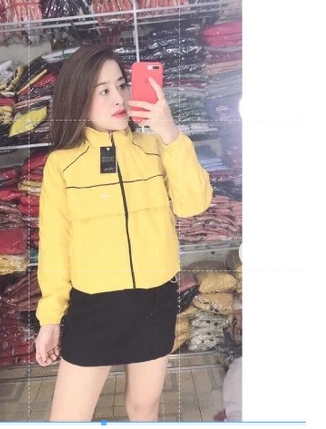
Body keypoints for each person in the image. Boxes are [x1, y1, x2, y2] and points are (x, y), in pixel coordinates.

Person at [34, 44, 213, 422]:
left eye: (121, 85)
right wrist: (49, 318)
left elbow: (193, 204)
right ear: (79, 98)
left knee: (143, 408)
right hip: (93, 306)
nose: (119, 98)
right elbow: (55, 245)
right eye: (103, 90)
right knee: (67, 418)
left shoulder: (155, 148)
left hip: (153, 300)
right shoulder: (62, 165)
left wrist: (170, 134)